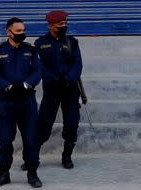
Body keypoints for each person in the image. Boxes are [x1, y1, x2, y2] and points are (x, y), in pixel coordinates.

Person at [0, 17, 43, 188]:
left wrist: (27, 84)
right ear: (8, 32)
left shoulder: (30, 50)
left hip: (27, 102)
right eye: (18, 31)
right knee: (4, 140)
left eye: (23, 31)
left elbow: (38, 70)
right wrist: (7, 86)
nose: (22, 34)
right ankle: (3, 173)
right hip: (7, 102)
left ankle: (32, 173)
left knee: (31, 140)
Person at [35, 10, 83, 169]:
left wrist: (69, 79)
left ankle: (67, 155)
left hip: (70, 89)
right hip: (51, 89)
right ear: (51, 25)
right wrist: (53, 79)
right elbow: (39, 66)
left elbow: (77, 64)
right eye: (60, 24)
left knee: (72, 122)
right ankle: (32, 156)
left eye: (65, 23)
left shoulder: (72, 42)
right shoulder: (40, 43)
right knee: (44, 123)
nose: (64, 26)